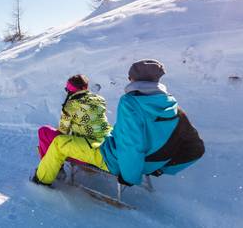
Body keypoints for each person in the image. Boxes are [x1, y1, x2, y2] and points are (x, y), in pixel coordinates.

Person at [32, 59, 205, 187]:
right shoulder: (171, 104)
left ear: (135, 79)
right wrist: (159, 167)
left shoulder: (131, 102)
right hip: (145, 162)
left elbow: (132, 144)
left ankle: (40, 181)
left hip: (114, 159)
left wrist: (129, 176)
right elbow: (196, 147)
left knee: (58, 143)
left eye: (130, 76)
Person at [34, 74, 113, 184]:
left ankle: (53, 168)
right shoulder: (99, 100)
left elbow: (62, 131)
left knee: (44, 132)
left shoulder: (71, 106)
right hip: (106, 144)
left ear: (69, 89)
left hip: (87, 149)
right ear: (85, 87)